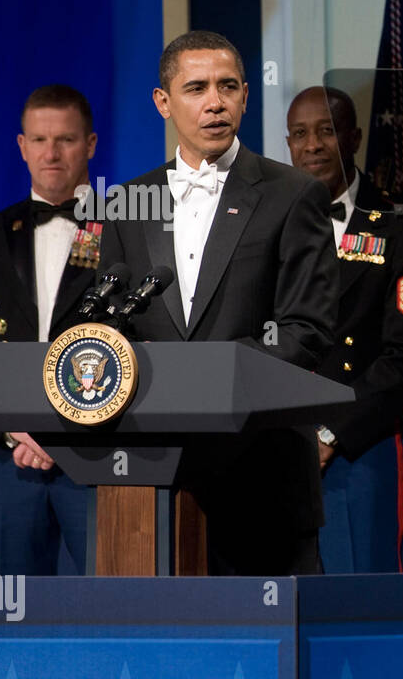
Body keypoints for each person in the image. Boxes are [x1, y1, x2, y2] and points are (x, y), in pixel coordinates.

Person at [101, 31, 337, 575]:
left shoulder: (293, 194)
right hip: (154, 480)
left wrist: (206, 383)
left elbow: (307, 330)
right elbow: (117, 330)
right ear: (163, 102)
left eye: (228, 86)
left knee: (272, 653)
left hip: (265, 477)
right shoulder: (126, 204)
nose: (215, 102)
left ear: (246, 97)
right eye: (196, 88)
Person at [0, 84, 101, 575]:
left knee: (118, 607)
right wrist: (17, 426)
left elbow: (140, 344)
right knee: (10, 615)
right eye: (39, 139)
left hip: (100, 456)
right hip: (11, 458)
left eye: (66, 140)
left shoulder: (127, 234)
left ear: (91, 144)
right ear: (21, 146)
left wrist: (64, 429)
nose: (51, 153)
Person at [285, 85, 403, 573]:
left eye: (326, 131)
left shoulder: (401, 226)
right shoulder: (262, 224)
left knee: (360, 600)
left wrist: (332, 433)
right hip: (278, 448)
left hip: (360, 448)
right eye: (299, 134)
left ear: (353, 137)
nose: (312, 145)